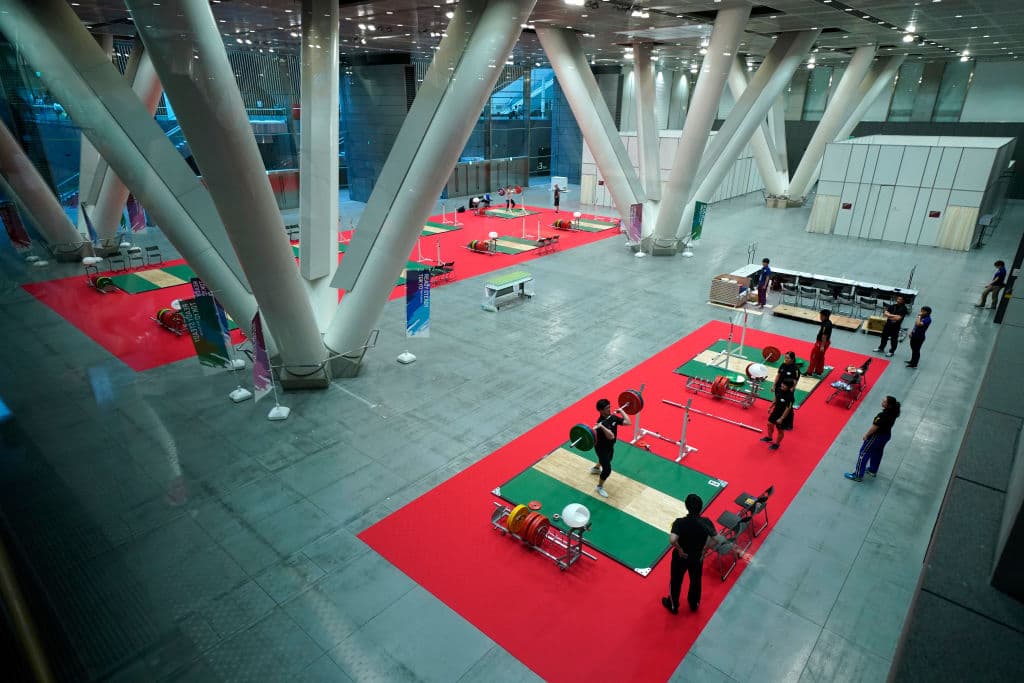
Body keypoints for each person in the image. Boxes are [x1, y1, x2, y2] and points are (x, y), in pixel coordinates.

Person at [661, 493, 715, 615]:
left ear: (686, 507)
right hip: (697, 557)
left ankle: (673, 606)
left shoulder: (679, 523)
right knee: (695, 580)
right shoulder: (706, 522)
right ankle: (694, 604)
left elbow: (672, 540)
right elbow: (715, 538)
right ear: (701, 507)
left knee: (676, 581)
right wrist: (704, 550)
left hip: (681, 557)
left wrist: (679, 549)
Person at [845, 396, 901, 481]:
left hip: (876, 437)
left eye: (884, 401)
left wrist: (866, 435)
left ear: (888, 405)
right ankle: (872, 470)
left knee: (863, 453)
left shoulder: (882, 415)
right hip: (886, 436)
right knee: (877, 452)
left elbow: (875, 427)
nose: (882, 401)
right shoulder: (893, 412)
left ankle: (857, 475)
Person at [590, 398, 630, 497]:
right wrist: (602, 427)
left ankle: (595, 468)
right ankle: (599, 487)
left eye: (609, 407)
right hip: (601, 448)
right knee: (607, 469)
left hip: (610, 446)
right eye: (607, 408)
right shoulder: (600, 423)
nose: (609, 409)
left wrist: (622, 411)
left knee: (608, 459)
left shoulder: (612, 417)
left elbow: (628, 422)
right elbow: (611, 436)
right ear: (601, 410)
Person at [760, 378, 794, 451]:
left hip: (784, 414)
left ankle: (777, 444)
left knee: (780, 430)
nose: (782, 385)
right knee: (769, 424)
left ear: (789, 387)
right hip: (776, 411)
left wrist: (781, 418)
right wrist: (771, 406)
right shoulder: (779, 389)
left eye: (784, 385)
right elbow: (776, 398)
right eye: (782, 384)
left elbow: (788, 408)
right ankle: (769, 438)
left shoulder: (790, 397)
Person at [807, 309, 832, 377]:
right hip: (826, 342)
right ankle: (819, 371)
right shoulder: (829, 322)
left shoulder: (826, 325)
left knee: (814, 356)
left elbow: (824, 335)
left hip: (821, 343)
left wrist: (822, 346)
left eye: (821, 316)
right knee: (820, 357)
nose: (820, 317)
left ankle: (809, 373)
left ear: (825, 316)